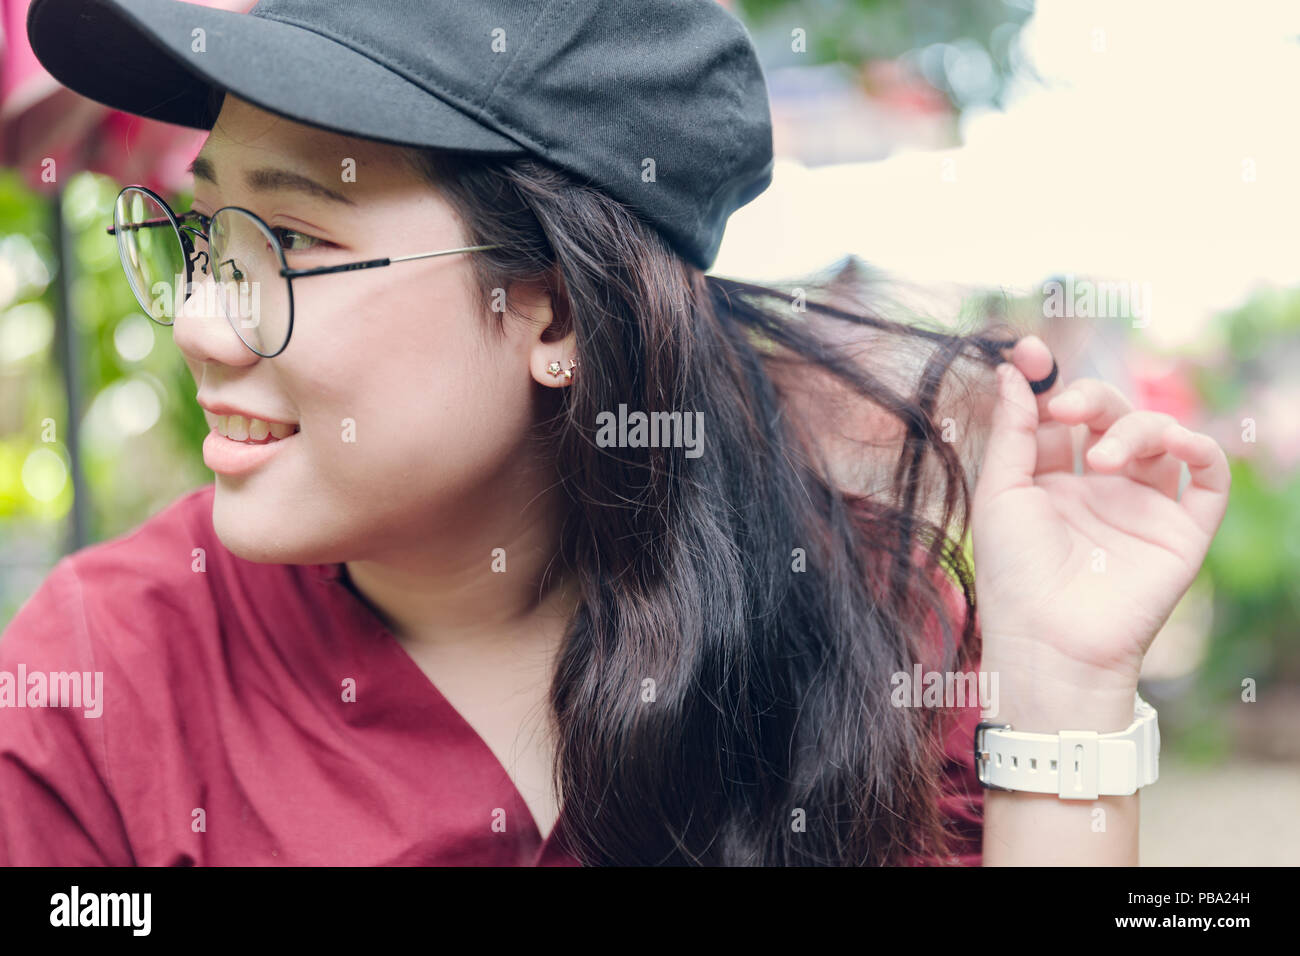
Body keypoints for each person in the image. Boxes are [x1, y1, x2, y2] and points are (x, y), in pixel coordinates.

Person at [0, 0, 1229, 866]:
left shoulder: (866, 630)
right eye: (209, 232)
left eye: (293, 242)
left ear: (559, 306)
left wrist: (1065, 696)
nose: (205, 321)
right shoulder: (109, 673)